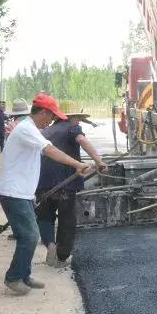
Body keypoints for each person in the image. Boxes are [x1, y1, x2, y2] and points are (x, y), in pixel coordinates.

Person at [0, 93, 90, 295]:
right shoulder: (26, 129)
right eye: (51, 116)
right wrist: (76, 163)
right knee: (30, 235)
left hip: (23, 192)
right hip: (14, 192)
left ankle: (24, 275)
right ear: (43, 112)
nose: (51, 120)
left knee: (27, 235)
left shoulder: (33, 129)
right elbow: (50, 150)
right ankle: (13, 278)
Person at [36, 101, 106, 268]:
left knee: (45, 217)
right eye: (77, 118)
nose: (79, 121)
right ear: (69, 117)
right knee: (67, 220)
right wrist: (99, 161)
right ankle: (61, 257)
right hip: (65, 182)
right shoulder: (72, 128)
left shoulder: (46, 130)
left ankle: (50, 244)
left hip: (43, 181)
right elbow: (82, 140)